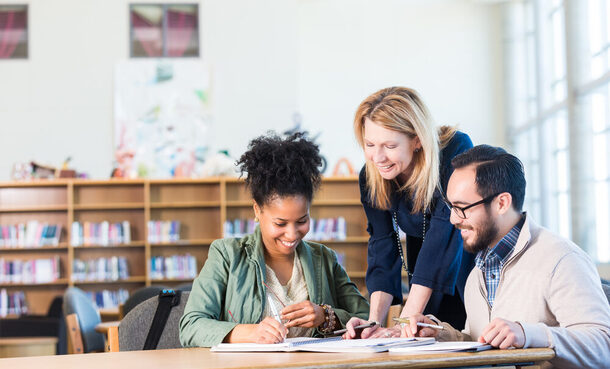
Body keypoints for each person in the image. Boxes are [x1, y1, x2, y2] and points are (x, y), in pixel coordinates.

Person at [402, 145, 610, 369]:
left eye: (462, 208)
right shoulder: (476, 273)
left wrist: (527, 333)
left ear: (502, 203)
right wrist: (442, 335)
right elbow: (483, 346)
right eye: (451, 207)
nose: (453, 219)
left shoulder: (562, 260)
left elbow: (602, 346)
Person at [179, 132, 369, 347]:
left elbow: (367, 318)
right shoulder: (227, 255)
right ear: (257, 210)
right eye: (280, 223)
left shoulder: (324, 259)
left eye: (302, 221)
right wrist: (248, 333)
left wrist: (327, 317)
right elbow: (191, 326)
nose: (292, 234)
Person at [345, 87, 475, 339]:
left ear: (417, 140)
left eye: (389, 145)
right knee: (420, 339)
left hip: (467, 261)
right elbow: (382, 246)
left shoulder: (454, 149)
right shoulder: (371, 175)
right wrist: (373, 322)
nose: (377, 157)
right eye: (370, 144)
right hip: (423, 268)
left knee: (463, 339)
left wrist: (404, 321)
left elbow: (443, 233)